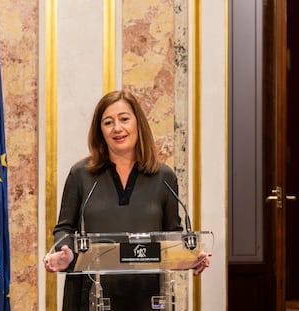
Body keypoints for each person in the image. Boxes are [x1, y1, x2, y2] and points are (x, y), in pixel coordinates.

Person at [44, 90, 211, 310]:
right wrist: (64, 253)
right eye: (108, 122)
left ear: (138, 124)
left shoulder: (164, 177)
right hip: (91, 292)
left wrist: (189, 255)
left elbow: (172, 232)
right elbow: (65, 228)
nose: (117, 128)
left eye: (124, 119)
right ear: (100, 131)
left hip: (148, 294)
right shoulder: (81, 174)